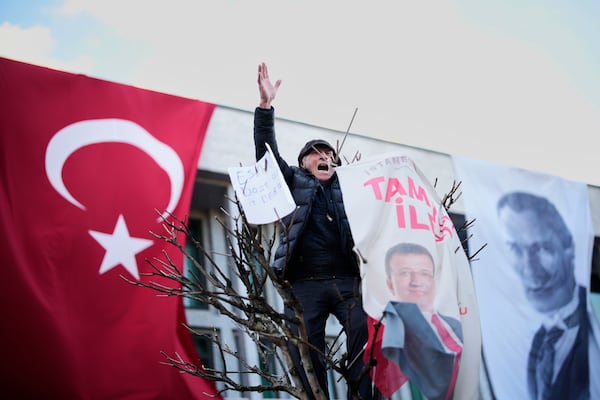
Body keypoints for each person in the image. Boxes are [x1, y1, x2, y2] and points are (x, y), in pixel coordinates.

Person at [253, 62, 372, 400]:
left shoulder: (349, 185)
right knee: (306, 351)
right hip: (304, 283)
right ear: (303, 162)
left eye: (329, 154)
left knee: (365, 336)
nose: (324, 157)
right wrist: (265, 108)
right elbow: (266, 154)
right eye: (316, 154)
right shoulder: (291, 180)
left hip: (347, 280)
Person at [497, 191, 589, 400]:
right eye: (515, 249)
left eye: (540, 248)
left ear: (569, 246)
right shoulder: (539, 338)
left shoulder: (593, 325)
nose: (530, 269)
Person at [381, 242, 463, 400]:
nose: (415, 281)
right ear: (390, 284)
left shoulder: (456, 326)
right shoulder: (392, 331)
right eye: (405, 273)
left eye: (424, 273)